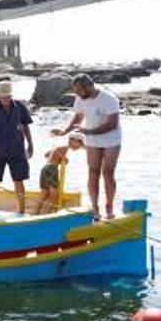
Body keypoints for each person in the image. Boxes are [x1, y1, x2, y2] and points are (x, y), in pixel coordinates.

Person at [52, 74, 122, 220]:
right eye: (76, 91)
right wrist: (65, 131)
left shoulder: (109, 99)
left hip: (111, 140)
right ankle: (95, 209)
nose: (78, 94)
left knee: (108, 172)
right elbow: (78, 117)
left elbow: (112, 124)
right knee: (93, 171)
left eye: (80, 91)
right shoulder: (80, 97)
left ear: (90, 86)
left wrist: (89, 132)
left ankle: (109, 206)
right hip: (92, 140)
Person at [0, 82, 34, 214]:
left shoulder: (20, 107)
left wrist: (31, 145)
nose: (6, 99)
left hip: (17, 151)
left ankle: (21, 211)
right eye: (3, 97)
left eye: (8, 97)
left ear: (11, 95)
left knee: (19, 180)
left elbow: (26, 127)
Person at [35, 133, 85, 214]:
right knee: (54, 194)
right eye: (79, 143)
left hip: (45, 168)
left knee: (44, 193)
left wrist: (55, 156)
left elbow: (46, 154)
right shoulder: (65, 148)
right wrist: (63, 158)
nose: (79, 147)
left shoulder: (61, 147)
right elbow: (61, 155)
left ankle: (36, 212)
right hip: (52, 169)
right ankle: (48, 213)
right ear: (72, 141)